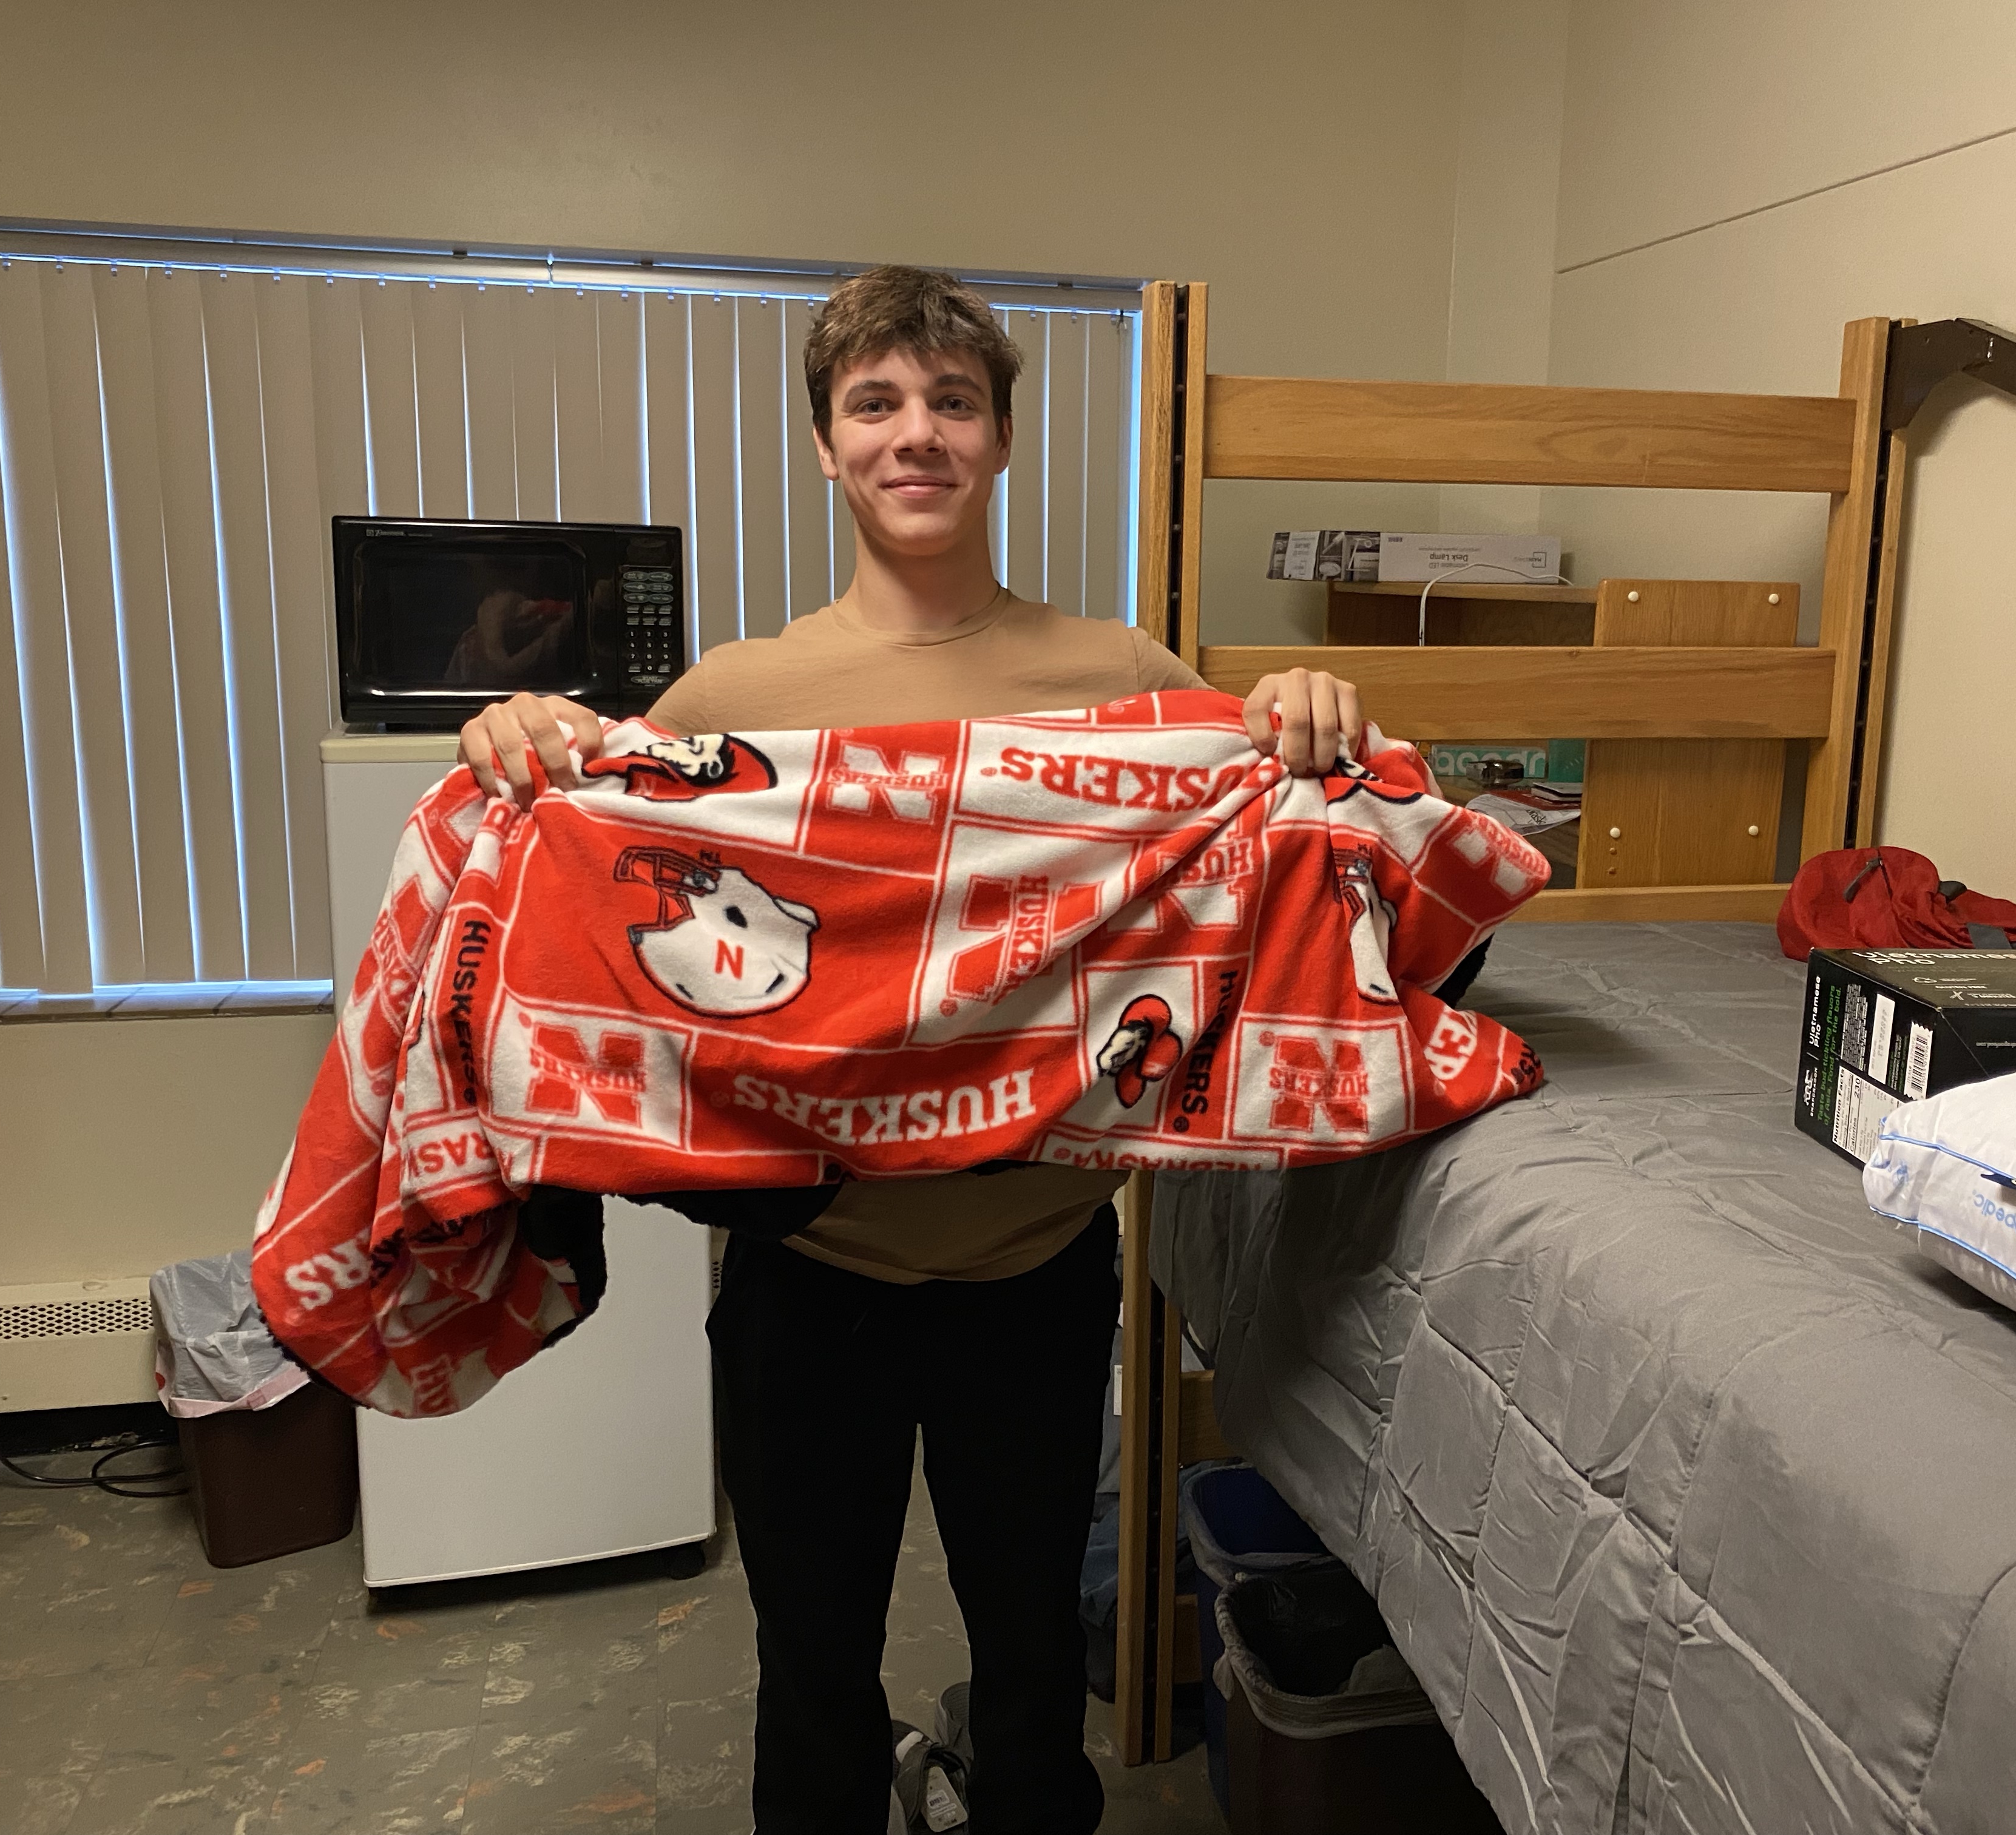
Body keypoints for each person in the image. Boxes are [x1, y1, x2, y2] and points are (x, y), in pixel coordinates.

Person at [457, 264, 1373, 1835]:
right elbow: (597, 865)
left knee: (1033, 1677)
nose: (917, 433)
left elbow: (1275, 827)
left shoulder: (1122, 677)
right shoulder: (740, 693)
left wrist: (1299, 702)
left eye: (953, 401)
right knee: (812, 1678)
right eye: (875, 402)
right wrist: (518, 739)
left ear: (1001, 438)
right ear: (827, 445)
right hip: (809, 1281)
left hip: (1038, 1274)